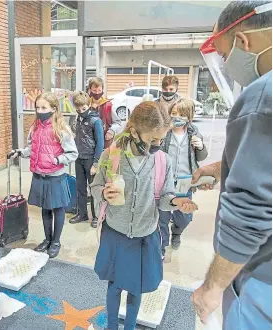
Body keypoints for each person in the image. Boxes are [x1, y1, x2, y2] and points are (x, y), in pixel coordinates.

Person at [191, 2, 272, 329]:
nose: (226, 64)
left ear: (243, 42)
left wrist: (213, 287)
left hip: (260, 278)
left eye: (224, 56)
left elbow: (252, 208)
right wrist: (225, 168)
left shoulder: (262, 96)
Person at [91, 101, 198, 330]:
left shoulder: (163, 161)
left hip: (144, 235)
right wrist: (103, 192)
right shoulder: (111, 155)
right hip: (116, 232)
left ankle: (129, 326)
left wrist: (177, 202)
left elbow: (166, 197)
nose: (157, 144)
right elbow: (96, 186)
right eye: (152, 139)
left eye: (161, 139)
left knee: (136, 287)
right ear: (133, 130)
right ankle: (111, 326)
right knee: (114, 284)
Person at [12, 92, 78, 258]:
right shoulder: (34, 127)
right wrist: (20, 152)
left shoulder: (62, 129)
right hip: (39, 174)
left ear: (54, 109)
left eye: (44, 107)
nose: (40, 111)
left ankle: (56, 241)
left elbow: (73, 153)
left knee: (58, 208)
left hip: (56, 176)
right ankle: (47, 239)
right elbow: (33, 149)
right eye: (37, 107)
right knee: (45, 209)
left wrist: (57, 160)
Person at [159, 99, 208, 257]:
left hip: (185, 181)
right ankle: (163, 245)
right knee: (163, 216)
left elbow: (201, 157)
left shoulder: (194, 133)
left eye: (181, 114)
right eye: (173, 114)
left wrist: (200, 147)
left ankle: (177, 232)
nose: (176, 117)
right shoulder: (164, 132)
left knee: (185, 216)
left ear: (189, 117)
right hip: (165, 181)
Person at [69, 91, 104, 228]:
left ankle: (96, 216)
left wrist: (96, 162)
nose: (81, 111)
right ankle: (82, 213)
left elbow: (100, 143)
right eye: (78, 109)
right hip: (79, 158)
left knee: (93, 188)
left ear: (88, 105)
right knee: (80, 187)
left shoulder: (96, 121)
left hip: (91, 158)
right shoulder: (76, 119)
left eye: (83, 108)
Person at [87, 77, 122, 148]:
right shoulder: (86, 104)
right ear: (90, 90)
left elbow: (118, 123)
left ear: (102, 90)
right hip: (88, 142)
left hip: (104, 141)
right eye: (94, 90)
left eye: (99, 90)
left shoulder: (108, 105)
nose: (97, 93)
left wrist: (111, 131)